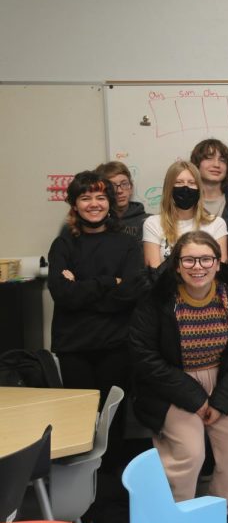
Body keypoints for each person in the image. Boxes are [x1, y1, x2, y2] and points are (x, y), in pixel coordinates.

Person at [130, 231, 228, 523]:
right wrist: (196, 400)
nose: (197, 267)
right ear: (176, 265)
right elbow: (144, 356)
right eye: (188, 259)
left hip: (224, 381)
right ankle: (178, 517)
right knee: (189, 452)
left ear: (217, 263)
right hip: (173, 385)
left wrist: (221, 401)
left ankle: (218, 510)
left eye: (205, 259)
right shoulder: (157, 299)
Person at [49, 170, 145, 453]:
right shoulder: (64, 244)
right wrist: (107, 283)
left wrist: (81, 287)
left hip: (115, 345)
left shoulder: (128, 244)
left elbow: (130, 293)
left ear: (110, 203)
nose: (94, 204)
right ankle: (81, 488)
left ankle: (110, 483)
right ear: (74, 204)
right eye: (86, 197)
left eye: (101, 197)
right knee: (79, 419)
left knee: (112, 420)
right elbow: (62, 294)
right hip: (74, 348)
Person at [143, 161, 228, 268]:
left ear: (199, 189)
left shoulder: (216, 223)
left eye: (192, 183)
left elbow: (220, 269)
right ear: (169, 188)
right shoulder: (153, 223)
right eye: (179, 182)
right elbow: (153, 273)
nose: (186, 188)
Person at [189, 138, 228, 231]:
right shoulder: (184, 202)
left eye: (222, 160)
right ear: (196, 164)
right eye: (209, 158)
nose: (216, 164)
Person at [94, 160, 148, 242]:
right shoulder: (96, 222)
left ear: (131, 188)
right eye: (112, 186)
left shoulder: (147, 221)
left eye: (124, 184)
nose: (119, 191)